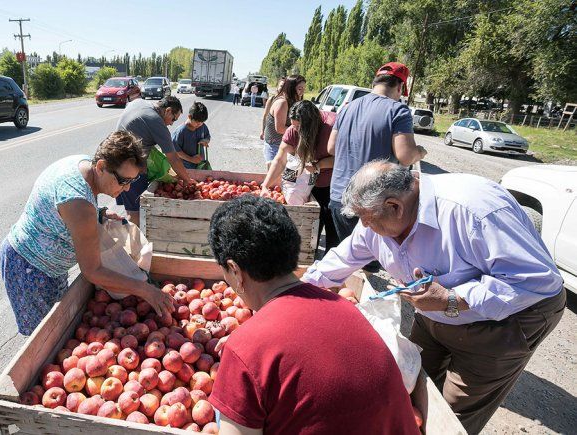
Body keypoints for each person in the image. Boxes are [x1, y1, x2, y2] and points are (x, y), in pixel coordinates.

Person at [303, 161, 566, 434]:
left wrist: (453, 299)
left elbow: (537, 281)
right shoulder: (378, 218)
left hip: (511, 316)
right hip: (435, 308)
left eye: (368, 218)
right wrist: (295, 293)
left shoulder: (473, 210)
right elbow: (345, 257)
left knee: (450, 415)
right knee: (406, 382)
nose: (364, 226)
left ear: (395, 206)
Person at [207, 195, 420, 435]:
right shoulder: (344, 307)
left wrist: (245, 351)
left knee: (224, 409)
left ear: (235, 270)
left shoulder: (246, 348)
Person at [0, 131, 174, 335]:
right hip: (30, 268)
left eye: (131, 182)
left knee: (59, 329)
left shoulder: (83, 164)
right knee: (44, 339)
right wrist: (145, 290)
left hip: (50, 266)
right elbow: (92, 271)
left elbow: (63, 212)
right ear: (101, 167)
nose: (126, 189)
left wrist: (99, 214)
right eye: (123, 181)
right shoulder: (79, 202)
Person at [327, 62, 426, 242]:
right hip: (371, 205)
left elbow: (331, 148)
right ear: (400, 86)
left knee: (340, 259)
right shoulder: (398, 110)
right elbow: (406, 156)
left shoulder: (348, 107)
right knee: (367, 264)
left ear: (376, 82)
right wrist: (419, 152)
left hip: (338, 197)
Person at [261, 100, 339, 257]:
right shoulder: (292, 131)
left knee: (330, 222)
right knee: (311, 223)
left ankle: (330, 264)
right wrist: (265, 185)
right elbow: (280, 160)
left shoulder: (331, 127)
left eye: (298, 127)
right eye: (293, 125)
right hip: (308, 180)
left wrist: (319, 165)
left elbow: (342, 158)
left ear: (311, 125)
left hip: (331, 181)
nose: (294, 129)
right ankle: (309, 257)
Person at [116, 96, 195, 224]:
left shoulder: (139, 102)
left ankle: (132, 236)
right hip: (130, 169)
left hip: (115, 160)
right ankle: (134, 242)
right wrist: (187, 180)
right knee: (135, 213)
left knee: (131, 209)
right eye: (173, 119)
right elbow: (173, 158)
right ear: (168, 110)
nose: (171, 123)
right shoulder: (156, 122)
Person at [262, 75, 306, 168]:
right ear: (291, 88)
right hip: (275, 145)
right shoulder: (282, 103)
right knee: (275, 177)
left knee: (287, 178)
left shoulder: (295, 101)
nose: (302, 91)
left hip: (287, 145)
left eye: (304, 88)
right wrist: (302, 131)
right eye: (299, 88)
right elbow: (280, 129)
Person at [172, 102, 211, 170]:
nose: (199, 124)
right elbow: (176, 152)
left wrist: (206, 141)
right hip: (185, 168)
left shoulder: (202, 126)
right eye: (197, 122)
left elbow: (207, 136)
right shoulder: (180, 132)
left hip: (200, 166)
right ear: (189, 117)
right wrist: (191, 159)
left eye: (202, 122)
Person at [260, 77, 285, 141]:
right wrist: (262, 131)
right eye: (281, 86)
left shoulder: (288, 101)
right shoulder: (271, 99)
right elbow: (265, 116)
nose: (283, 88)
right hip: (271, 136)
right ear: (277, 87)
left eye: (285, 86)